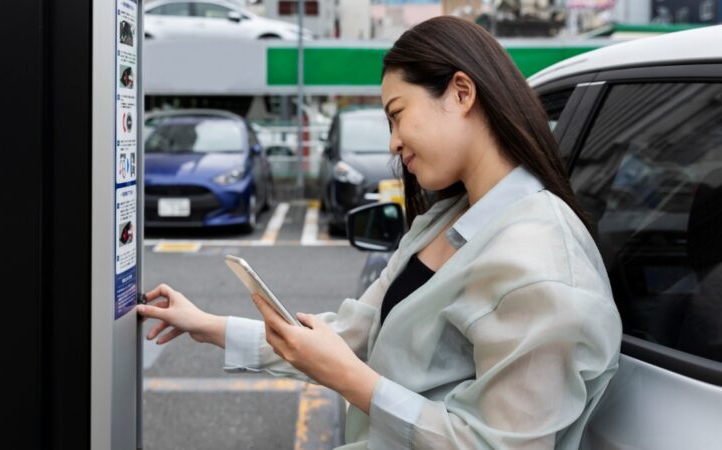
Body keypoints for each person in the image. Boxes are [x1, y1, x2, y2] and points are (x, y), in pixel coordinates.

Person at [137, 16, 622, 449]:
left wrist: (352, 381)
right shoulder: (447, 218)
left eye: (396, 113)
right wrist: (208, 326)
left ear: (461, 92)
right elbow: (354, 334)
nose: (392, 142)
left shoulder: (541, 263)